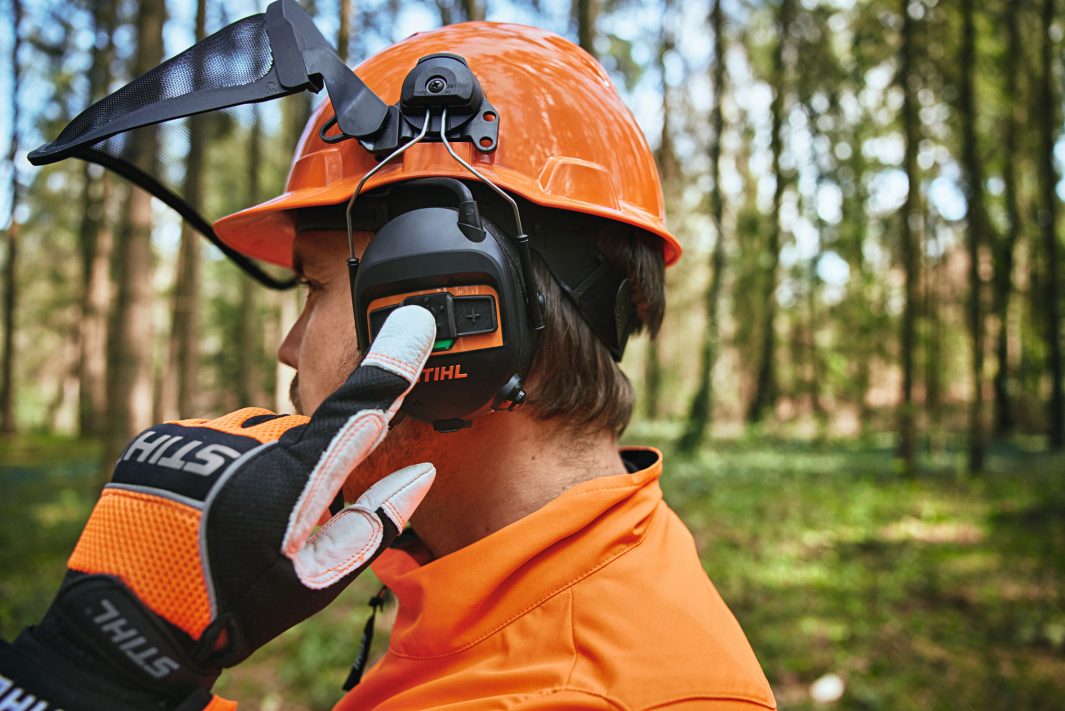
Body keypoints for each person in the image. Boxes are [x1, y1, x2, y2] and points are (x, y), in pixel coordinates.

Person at [0, 20, 775, 711]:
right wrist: (137, 665)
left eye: (313, 287)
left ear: (455, 304)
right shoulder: (507, 596)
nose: (288, 346)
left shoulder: (602, 692)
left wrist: (87, 682)